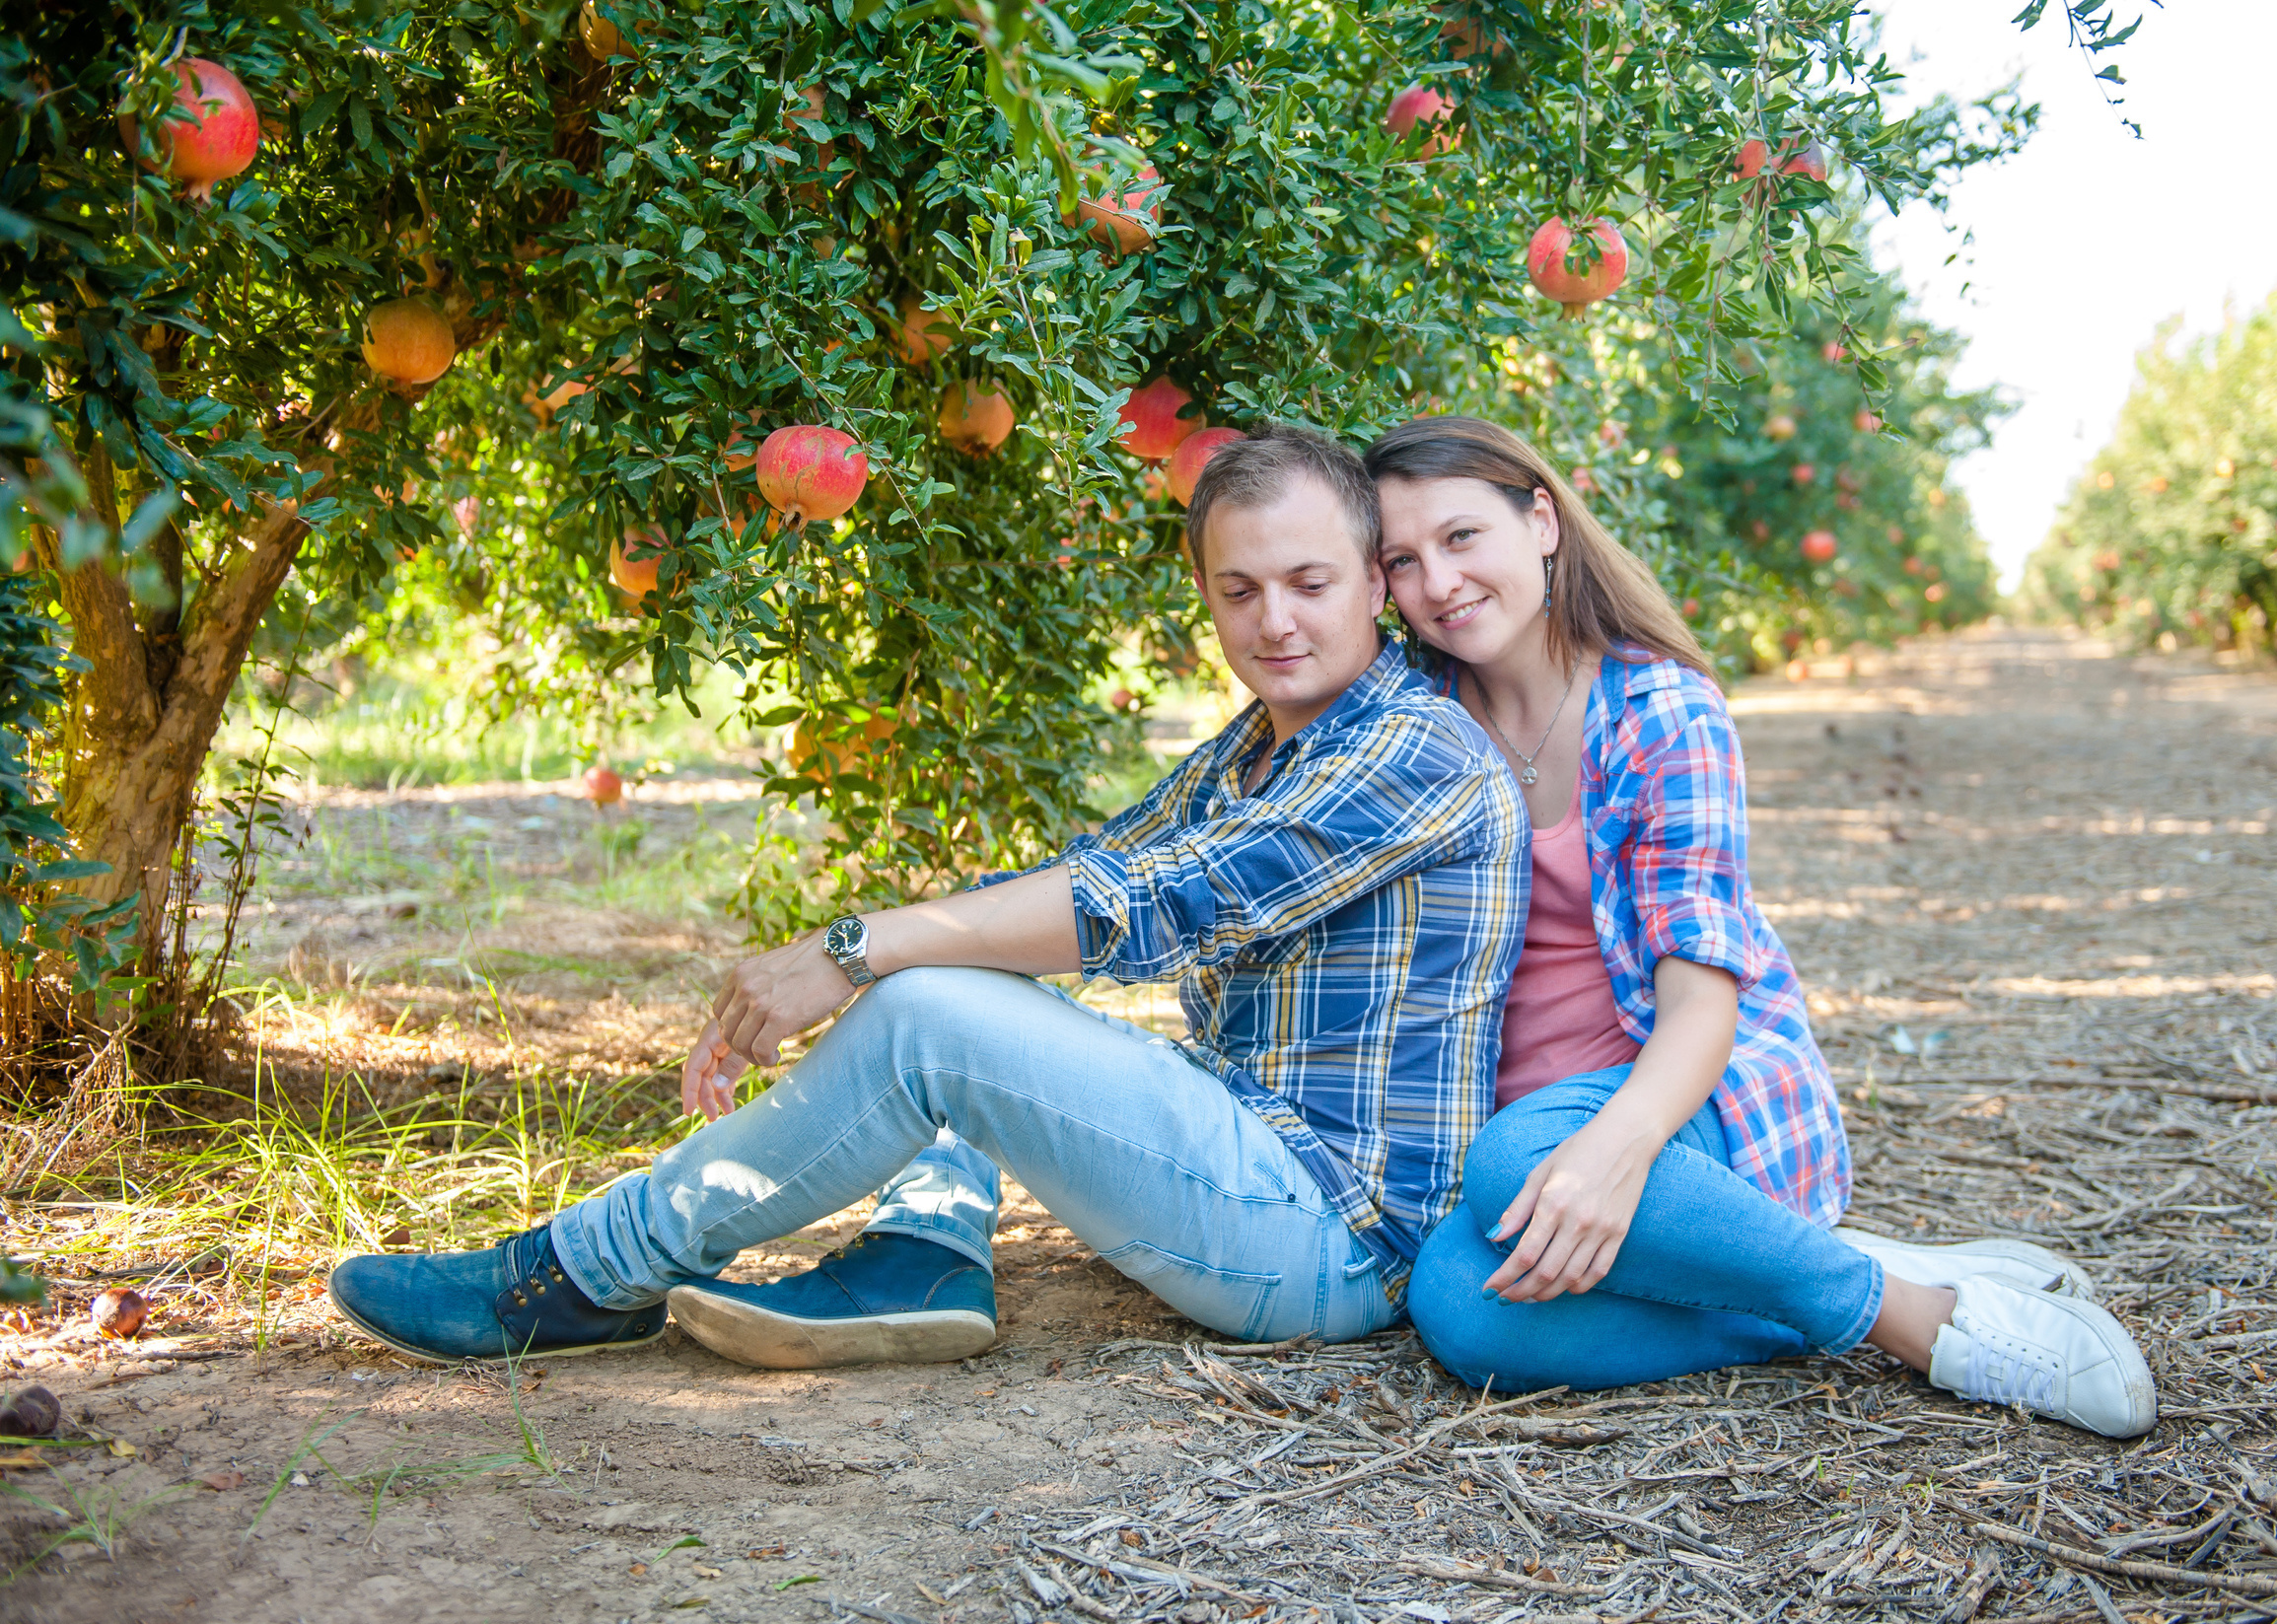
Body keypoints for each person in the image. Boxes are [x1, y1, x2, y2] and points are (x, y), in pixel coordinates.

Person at [327, 425, 1530, 1369]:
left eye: (1309, 580)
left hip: (1334, 1237)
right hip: (1248, 1163)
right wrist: (853, 953)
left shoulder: (1410, 750)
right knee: (950, 973)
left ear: (1376, 580)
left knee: (927, 1007)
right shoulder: (1264, 742)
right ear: (1204, 594)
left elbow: (1147, 905)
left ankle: (580, 1275)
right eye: (1238, 590)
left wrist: (848, 952)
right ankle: (926, 1248)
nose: (1274, 620)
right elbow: (1077, 872)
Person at [1370, 417, 2155, 1438]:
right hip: (1518, 1135)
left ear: (1542, 521)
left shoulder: (1659, 709)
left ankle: (1917, 1319)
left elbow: (1702, 1004)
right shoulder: (1408, 716)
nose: (1438, 581)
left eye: (1462, 536)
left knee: (1519, 1158)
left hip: (1684, 1099)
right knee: (1456, 1304)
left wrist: (1611, 1145)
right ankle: (1811, 1282)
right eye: (1401, 559)